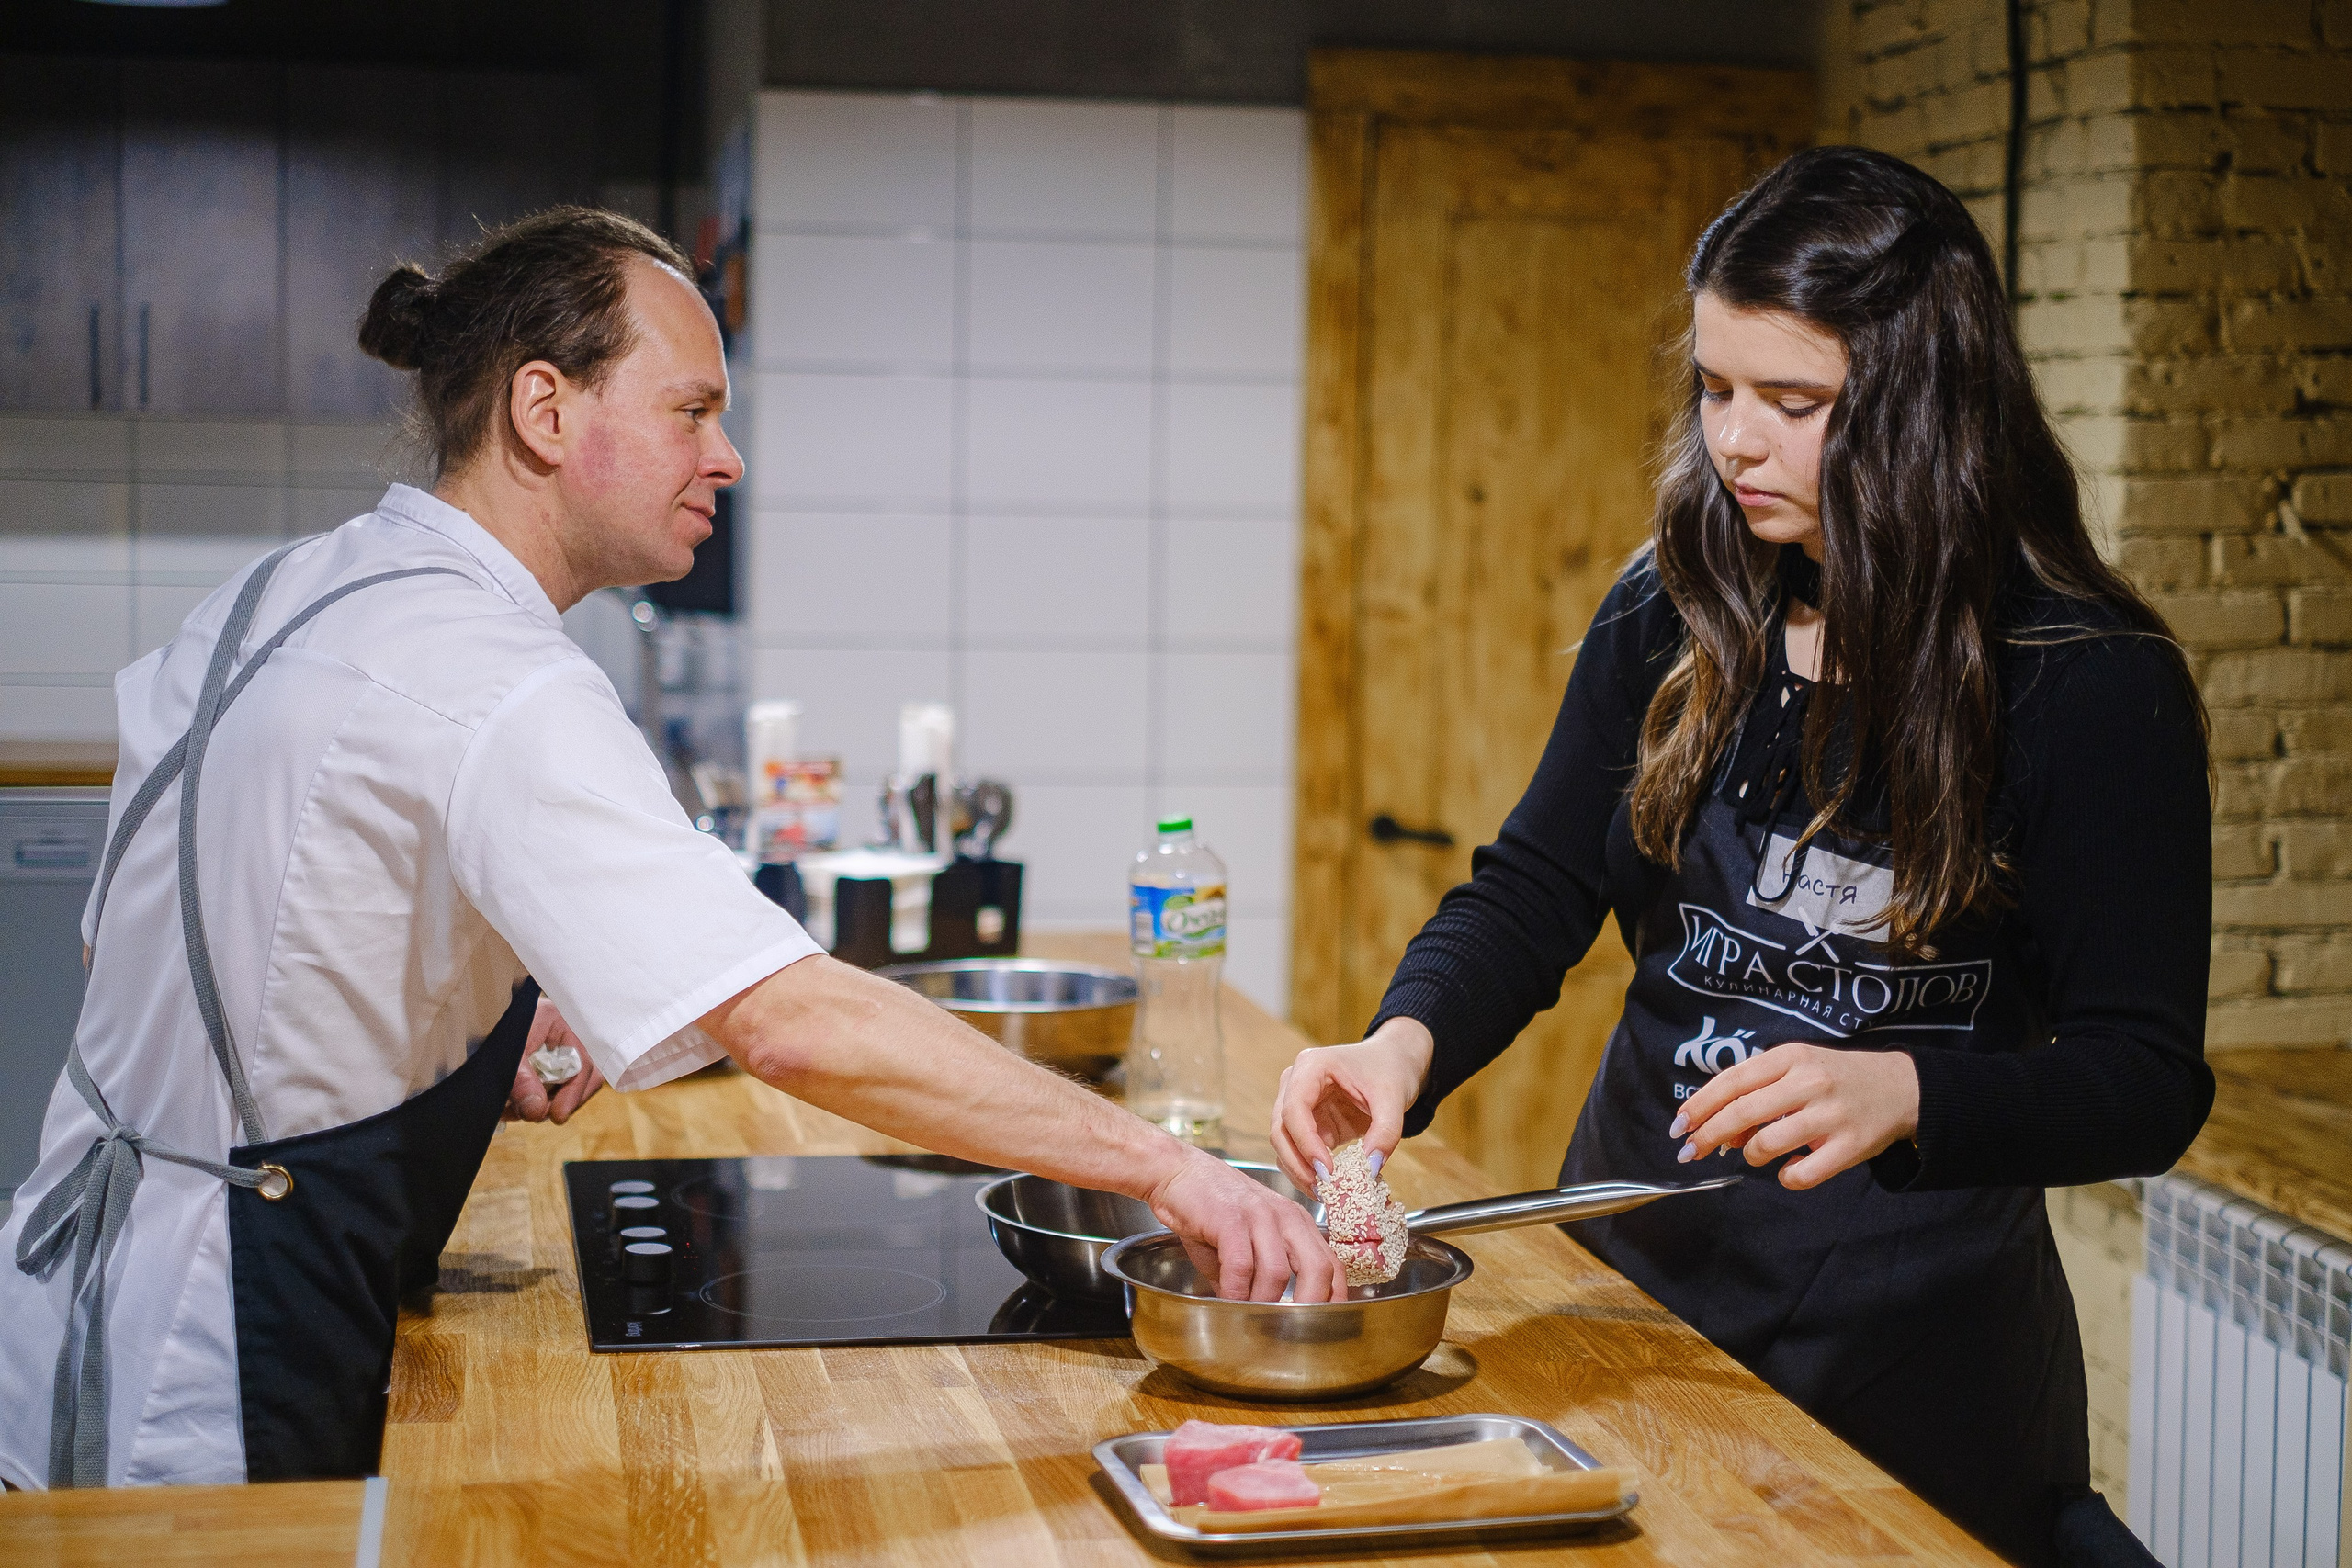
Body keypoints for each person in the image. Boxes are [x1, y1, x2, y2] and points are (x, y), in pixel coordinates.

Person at [0, 208, 1340, 1494]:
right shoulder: (499, 677)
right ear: (545, 412)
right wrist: (1167, 1167)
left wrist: (430, 1017)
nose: (727, 457)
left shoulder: (287, 589)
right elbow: (794, 1024)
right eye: (692, 411)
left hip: (56, 1296)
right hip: (204, 1358)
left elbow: (145, 938)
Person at [1269, 147, 2211, 1565]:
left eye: (1794, 403)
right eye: (1713, 388)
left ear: (1922, 409)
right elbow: (1537, 885)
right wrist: (1404, 1043)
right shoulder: (1679, 602)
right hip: (1637, 1293)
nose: (1734, 442)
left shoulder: (2087, 682)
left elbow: (2147, 1084)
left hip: (1916, 1356)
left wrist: (1905, 1089)